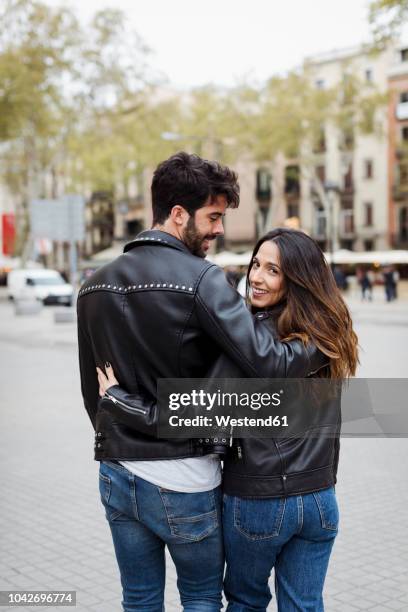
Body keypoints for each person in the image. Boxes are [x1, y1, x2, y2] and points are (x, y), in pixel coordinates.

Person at [77, 154, 324, 612]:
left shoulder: (94, 286)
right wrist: (322, 341)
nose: (218, 230)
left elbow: (94, 394)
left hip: (116, 472)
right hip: (185, 477)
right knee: (202, 598)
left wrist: (124, 424)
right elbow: (266, 361)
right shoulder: (203, 280)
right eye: (213, 217)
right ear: (178, 214)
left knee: (139, 599)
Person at [97, 227, 358, 612]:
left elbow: (192, 413)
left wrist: (118, 402)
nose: (256, 276)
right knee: (305, 605)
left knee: (246, 602)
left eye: (273, 270)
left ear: (299, 281)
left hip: (258, 500)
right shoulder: (329, 334)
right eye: (256, 264)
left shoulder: (251, 341)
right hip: (320, 499)